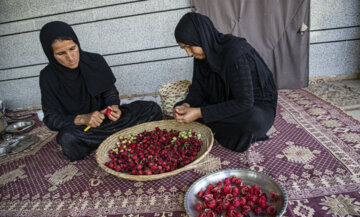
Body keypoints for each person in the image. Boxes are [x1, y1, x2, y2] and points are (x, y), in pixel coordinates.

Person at [39, 21, 162, 161]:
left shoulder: (95, 60)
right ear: (50, 54)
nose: (70, 57)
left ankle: (105, 140)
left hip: (108, 121)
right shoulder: (47, 77)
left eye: (72, 48)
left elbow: (110, 93)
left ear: (77, 44)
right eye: (61, 53)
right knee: (67, 139)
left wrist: (114, 108)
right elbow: (51, 119)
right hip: (84, 129)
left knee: (151, 108)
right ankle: (118, 136)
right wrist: (82, 118)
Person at [173, 12, 278, 152]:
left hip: (256, 106)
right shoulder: (202, 55)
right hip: (226, 101)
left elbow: (245, 102)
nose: (189, 53)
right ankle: (209, 120)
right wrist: (187, 104)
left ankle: (209, 122)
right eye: (184, 48)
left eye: (189, 46)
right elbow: (198, 88)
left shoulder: (235, 52)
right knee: (182, 108)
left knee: (251, 122)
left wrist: (199, 113)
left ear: (201, 37)